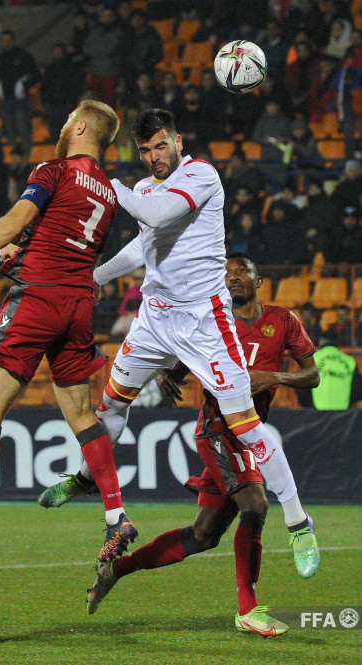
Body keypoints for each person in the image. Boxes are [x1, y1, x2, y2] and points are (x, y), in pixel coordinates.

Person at [38, 109, 320, 584]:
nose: (154, 157)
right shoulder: (144, 188)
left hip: (205, 322)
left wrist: (103, 178)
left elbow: (156, 213)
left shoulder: (201, 175)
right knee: (111, 404)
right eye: (145, 150)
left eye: (161, 146)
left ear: (178, 141)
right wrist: (94, 276)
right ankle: (86, 477)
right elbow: (142, 247)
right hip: (155, 318)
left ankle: (299, 522)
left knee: (247, 426)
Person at [0, 100, 137, 563]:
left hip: (39, 298)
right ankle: (116, 515)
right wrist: (20, 252)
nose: (62, 123)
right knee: (81, 415)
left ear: (79, 127)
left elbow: (16, 219)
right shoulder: (108, 191)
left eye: (67, 118)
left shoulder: (53, 170)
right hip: (78, 304)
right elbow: (69, 243)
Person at [83, 253, 320, 635]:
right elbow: (181, 359)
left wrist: (273, 377)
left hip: (249, 431)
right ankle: (248, 609)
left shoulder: (283, 320)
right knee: (256, 503)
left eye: (242, 271)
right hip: (217, 428)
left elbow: (312, 375)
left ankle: (115, 570)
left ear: (259, 281)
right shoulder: (212, 322)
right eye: (227, 273)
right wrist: (170, 373)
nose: (233, 277)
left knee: (202, 535)